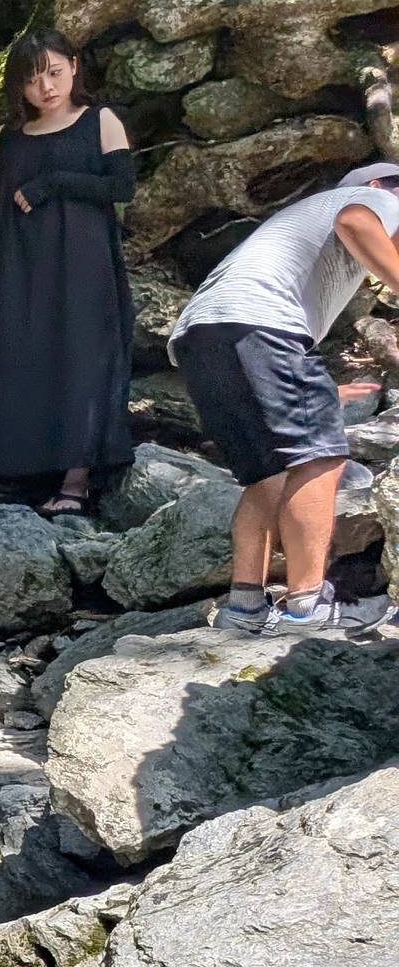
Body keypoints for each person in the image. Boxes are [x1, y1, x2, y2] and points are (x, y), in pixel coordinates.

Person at [166, 161, 399, 633]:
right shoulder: (372, 200)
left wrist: (317, 389)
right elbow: (355, 223)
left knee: (269, 472)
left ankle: (244, 608)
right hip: (260, 323)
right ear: (379, 186)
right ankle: (308, 607)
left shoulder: (306, 220)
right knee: (321, 457)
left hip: (202, 333)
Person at [0, 30, 138, 517]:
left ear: (74, 66)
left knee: (81, 359)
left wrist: (55, 183)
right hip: (20, 265)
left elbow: (122, 187)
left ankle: (76, 481)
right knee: (18, 356)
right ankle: (16, 473)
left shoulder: (100, 122)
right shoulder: (5, 139)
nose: (47, 88)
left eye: (54, 73)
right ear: (18, 87)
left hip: (84, 266)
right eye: (32, 81)